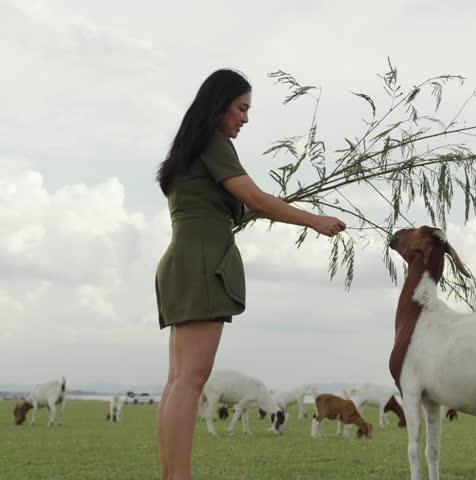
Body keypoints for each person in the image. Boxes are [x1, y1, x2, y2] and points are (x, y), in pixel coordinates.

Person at [154, 69, 345, 480]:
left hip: (181, 261)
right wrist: (314, 220)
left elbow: (237, 204)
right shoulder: (212, 141)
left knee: (177, 380)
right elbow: (256, 198)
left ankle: (172, 474)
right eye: (241, 108)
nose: (245, 118)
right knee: (190, 380)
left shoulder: (187, 149)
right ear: (219, 106)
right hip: (202, 263)